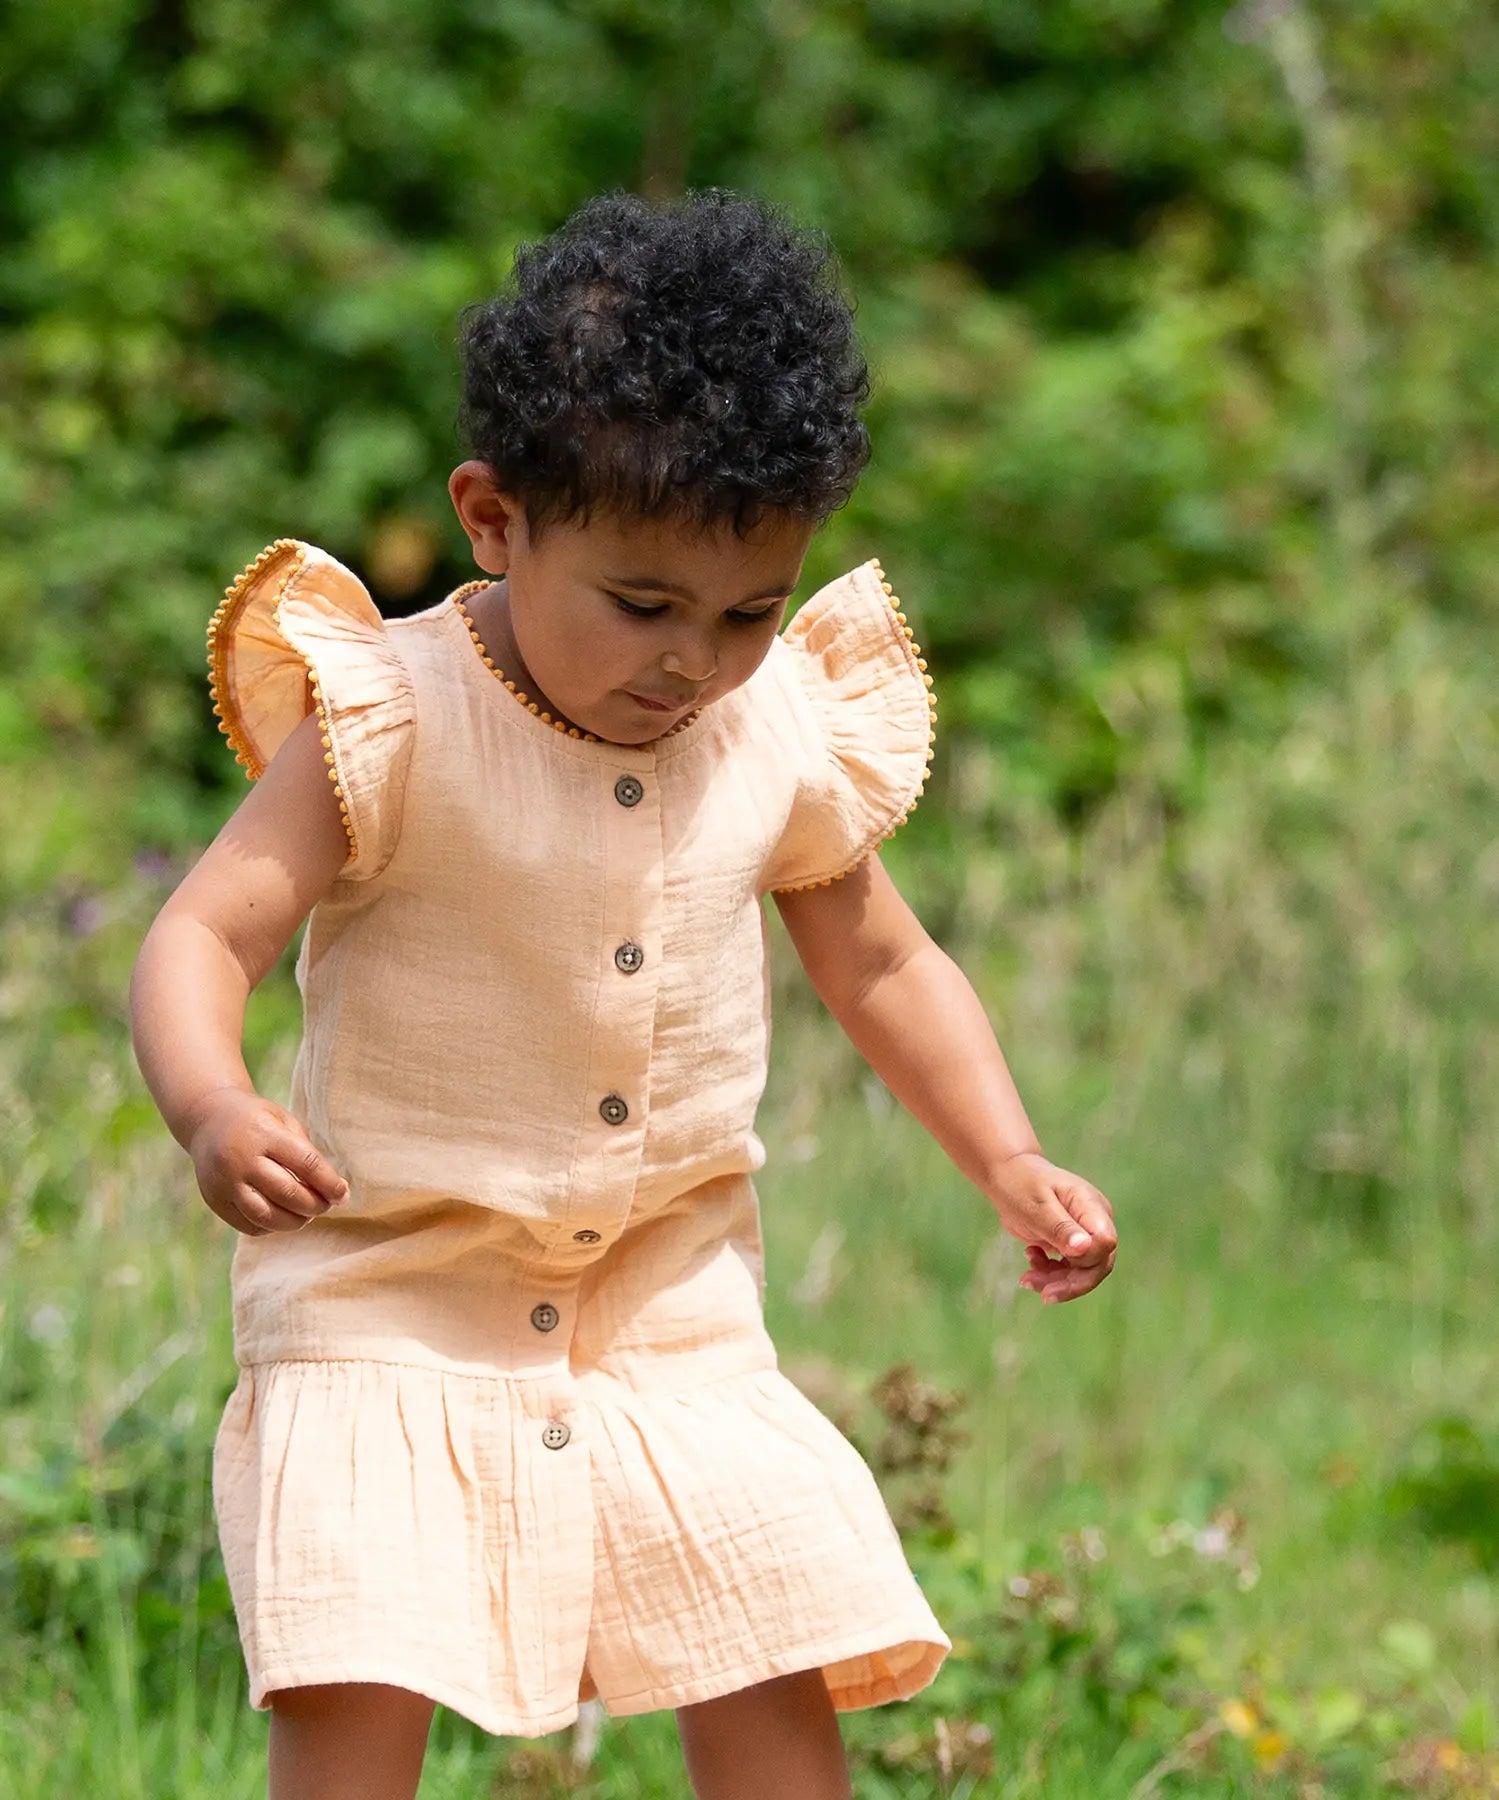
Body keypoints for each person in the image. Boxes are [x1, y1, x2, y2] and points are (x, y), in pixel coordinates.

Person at [129, 187, 1117, 1800]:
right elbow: (200, 937)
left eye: (747, 612)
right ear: (496, 518)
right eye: (645, 606)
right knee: (355, 1678)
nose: (695, 663)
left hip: (673, 1317)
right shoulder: (392, 714)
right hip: (390, 1308)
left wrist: (1006, 1157)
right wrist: (212, 1102)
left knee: (770, 1632)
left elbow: (882, 958)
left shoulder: (773, 725)